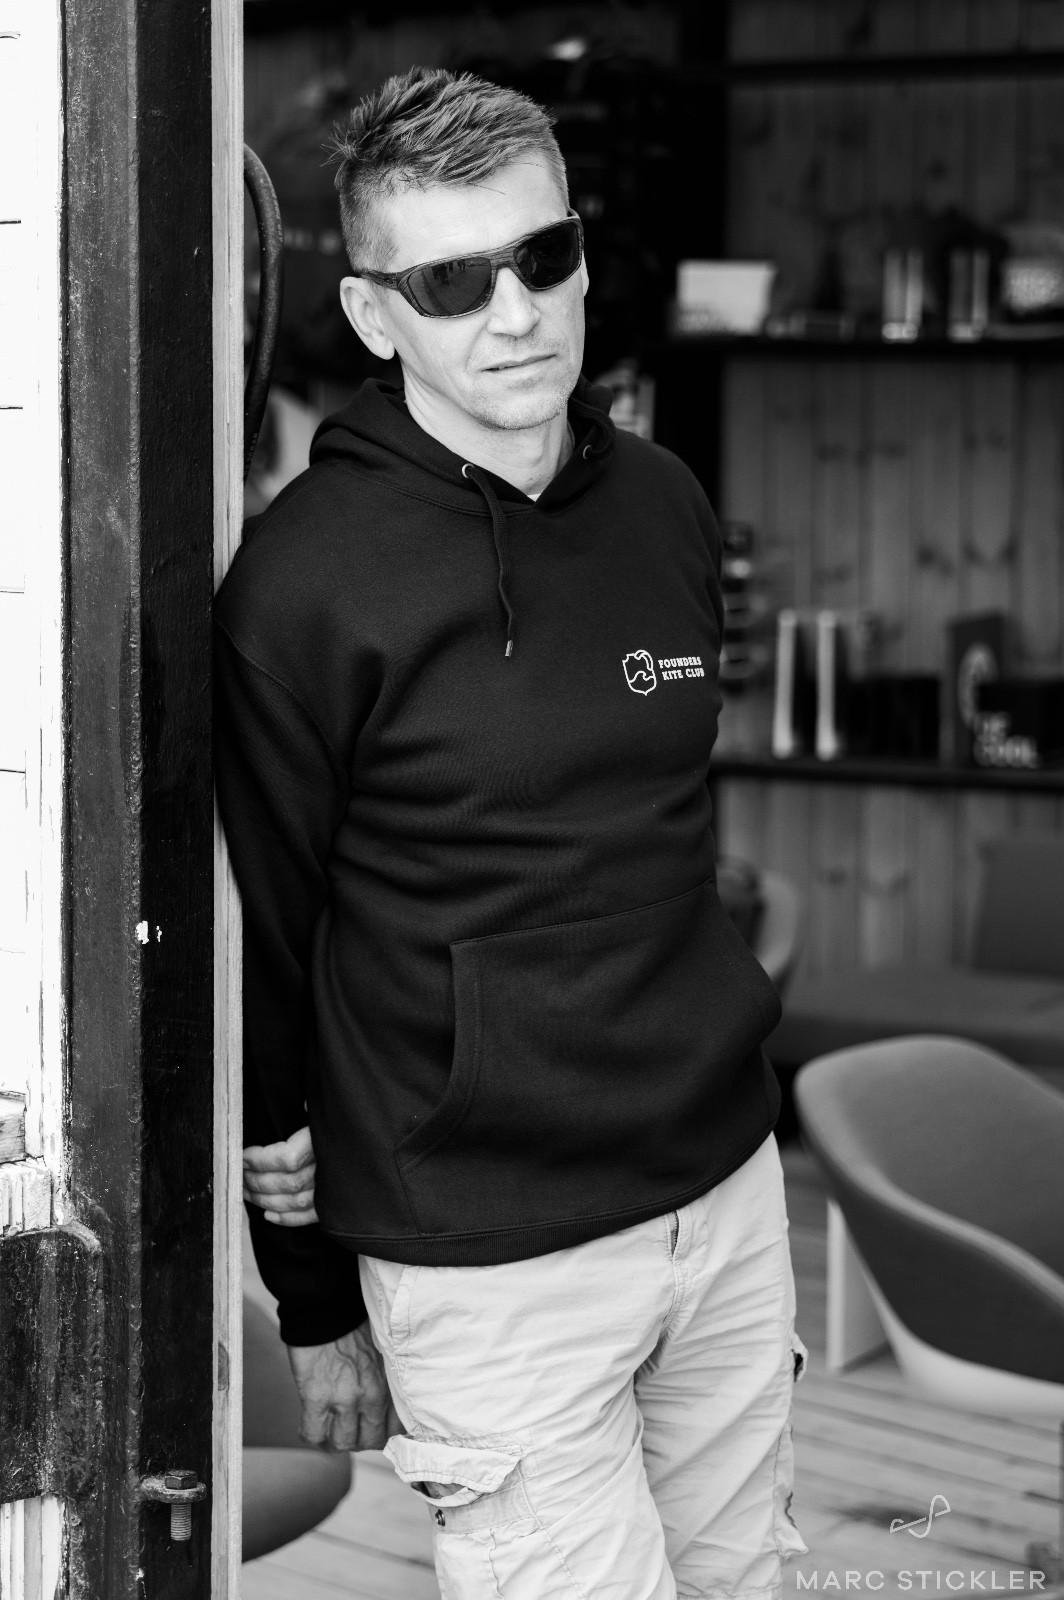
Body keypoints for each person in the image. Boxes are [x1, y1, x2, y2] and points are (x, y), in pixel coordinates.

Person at [216, 64, 807, 1599]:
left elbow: (656, 838)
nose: (516, 312)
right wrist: (309, 1295)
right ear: (373, 315)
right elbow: (267, 953)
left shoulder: (665, 506)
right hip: (490, 1256)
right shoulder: (303, 587)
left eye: (545, 257)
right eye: (452, 281)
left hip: (726, 1196)